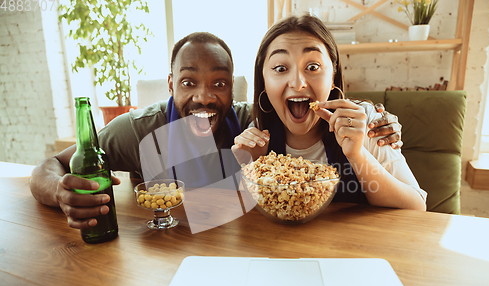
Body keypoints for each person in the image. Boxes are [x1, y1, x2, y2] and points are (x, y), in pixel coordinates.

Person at [29, 31, 405, 230]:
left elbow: (308, 109)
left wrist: (375, 118)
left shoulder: (253, 122)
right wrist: (59, 195)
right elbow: (51, 165)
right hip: (165, 252)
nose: (204, 97)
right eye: (189, 82)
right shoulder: (136, 129)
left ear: (236, 89)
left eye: (220, 84)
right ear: (171, 84)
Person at [232, 15, 426, 211]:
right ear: (263, 78)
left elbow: (416, 206)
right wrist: (253, 166)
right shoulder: (258, 135)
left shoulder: (366, 122)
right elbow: (248, 220)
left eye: (313, 67)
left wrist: (358, 154)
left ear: (333, 75)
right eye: (281, 68)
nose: (298, 83)